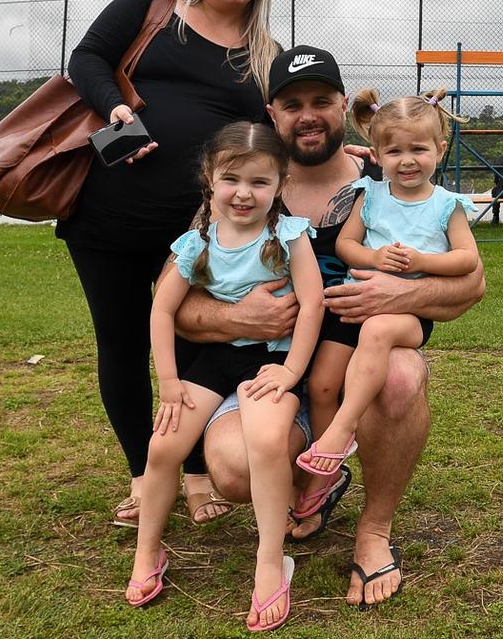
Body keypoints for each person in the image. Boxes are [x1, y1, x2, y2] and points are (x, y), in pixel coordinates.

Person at [175, 45, 486, 608]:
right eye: (292, 104)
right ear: (272, 114)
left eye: (322, 100)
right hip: (268, 363)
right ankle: (313, 484)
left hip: (360, 351)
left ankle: (374, 532)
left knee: (397, 376)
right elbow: (174, 300)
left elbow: (473, 284)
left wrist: (404, 289)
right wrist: (236, 315)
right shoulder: (243, 186)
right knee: (231, 470)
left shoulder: (388, 174)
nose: (308, 114)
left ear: (345, 105)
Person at [57, 0, 278, 527]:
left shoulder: (265, 53)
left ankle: (195, 473)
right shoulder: (154, 7)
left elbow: (281, 129)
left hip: (198, 233)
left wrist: (344, 152)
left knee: (189, 344)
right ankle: (140, 475)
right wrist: (117, 109)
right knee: (122, 344)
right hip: (107, 216)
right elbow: (88, 58)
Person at [126, 122, 322, 632]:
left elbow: (313, 303)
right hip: (213, 363)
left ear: (280, 184)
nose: (243, 193)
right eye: (231, 179)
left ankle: (269, 559)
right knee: (163, 446)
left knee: (262, 439)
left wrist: (291, 370)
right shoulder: (197, 243)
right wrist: (168, 383)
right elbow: (161, 311)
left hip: (269, 362)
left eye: (259, 182)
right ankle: (148, 554)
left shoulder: (288, 235)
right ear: (210, 179)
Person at [293, 87, 478, 510]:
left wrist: (421, 260)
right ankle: (326, 475)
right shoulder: (370, 195)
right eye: (394, 151)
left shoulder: (446, 206)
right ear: (376, 153)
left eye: (419, 148)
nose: (407, 160)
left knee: (377, 329)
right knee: (322, 383)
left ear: (440, 148)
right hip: (357, 303)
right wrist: (374, 255)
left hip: (407, 314)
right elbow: (346, 246)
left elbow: (467, 260)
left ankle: (343, 427)